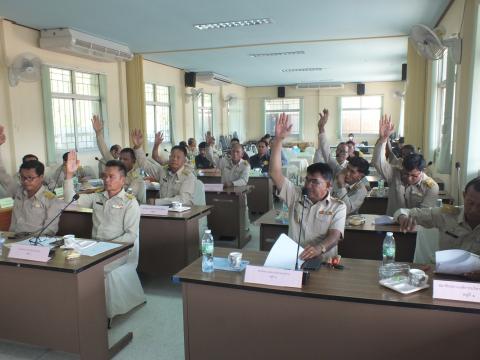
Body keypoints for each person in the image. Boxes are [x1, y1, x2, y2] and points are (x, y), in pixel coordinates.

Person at [63, 152, 145, 319]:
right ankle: (80, 309)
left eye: (111, 177)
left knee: (92, 270)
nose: (106, 180)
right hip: (94, 249)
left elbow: (130, 236)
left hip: (118, 251)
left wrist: (107, 246)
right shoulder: (98, 196)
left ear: (123, 180)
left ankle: (99, 312)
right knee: (71, 264)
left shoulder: (130, 203)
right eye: (105, 176)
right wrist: (69, 175)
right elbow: (69, 201)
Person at [270, 113, 346, 261]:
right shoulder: (296, 195)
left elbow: (335, 235)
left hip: (324, 263)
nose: (308, 185)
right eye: (307, 180)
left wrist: (320, 248)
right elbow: (274, 173)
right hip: (294, 260)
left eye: (315, 182)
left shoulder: (338, 207)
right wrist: (278, 140)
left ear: (328, 185)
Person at [394, 177, 480, 278]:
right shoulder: (448, 213)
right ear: (464, 195)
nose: (474, 210)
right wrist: (403, 217)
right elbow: (403, 212)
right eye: (470, 203)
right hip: (445, 277)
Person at [0, 126, 64, 235]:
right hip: (12, 240)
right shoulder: (18, 191)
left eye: (31, 178)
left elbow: (49, 231)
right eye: (23, 177)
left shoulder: (51, 200)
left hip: (34, 245)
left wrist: (29, 242)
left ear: (41, 177)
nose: (26, 181)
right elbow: (2, 173)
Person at [372, 115, 439, 216]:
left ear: (422, 171)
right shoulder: (395, 173)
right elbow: (378, 162)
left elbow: (425, 213)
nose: (408, 178)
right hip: (392, 223)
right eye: (405, 174)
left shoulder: (431, 187)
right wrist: (383, 139)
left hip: (416, 227)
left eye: (414, 176)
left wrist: (403, 216)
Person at [131, 129, 195, 205]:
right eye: (173, 156)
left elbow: (183, 199)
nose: (174, 159)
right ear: (169, 157)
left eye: (178, 157)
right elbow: (145, 165)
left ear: (184, 160)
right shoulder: (163, 171)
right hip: (163, 211)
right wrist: (138, 147)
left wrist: (156, 202)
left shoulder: (188, 176)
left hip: (183, 212)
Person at [91, 115, 145, 203]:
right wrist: (98, 133)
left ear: (133, 161)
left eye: (126, 159)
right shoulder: (117, 167)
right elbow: (104, 151)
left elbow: (128, 196)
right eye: (121, 158)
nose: (122, 161)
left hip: (129, 207)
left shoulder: (136, 178)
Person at [313, 109, 349, 175]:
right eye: (339, 150)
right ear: (335, 151)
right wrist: (321, 127)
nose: (341, 153)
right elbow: (324, 148)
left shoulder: (349, 167)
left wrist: (321, 127)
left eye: (344, 151)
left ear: (348, 154)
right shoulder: (331, 163)